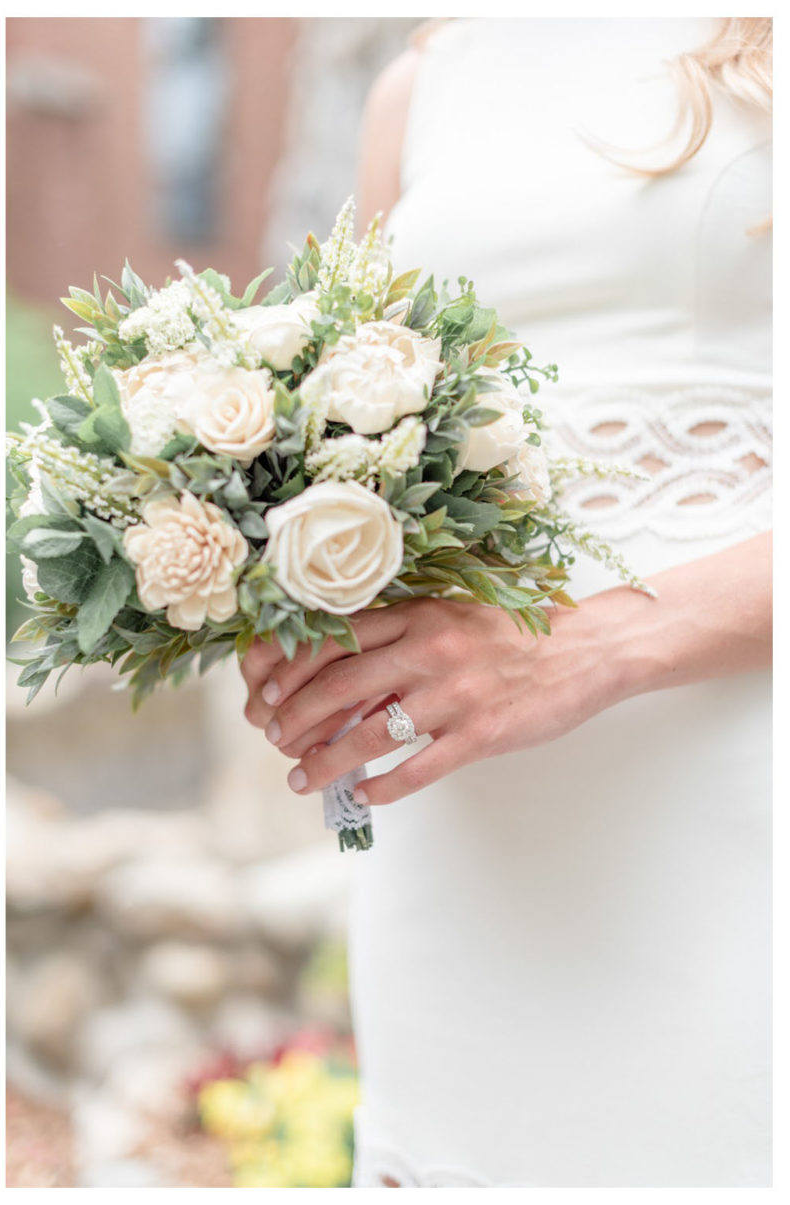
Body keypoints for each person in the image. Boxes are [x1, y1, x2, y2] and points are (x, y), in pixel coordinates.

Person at [240, 18, 770, 1187]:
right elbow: (355, 427)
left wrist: (590, 647)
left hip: (740, 770)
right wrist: (282, 593)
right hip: (468, 813)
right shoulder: (421, 84)